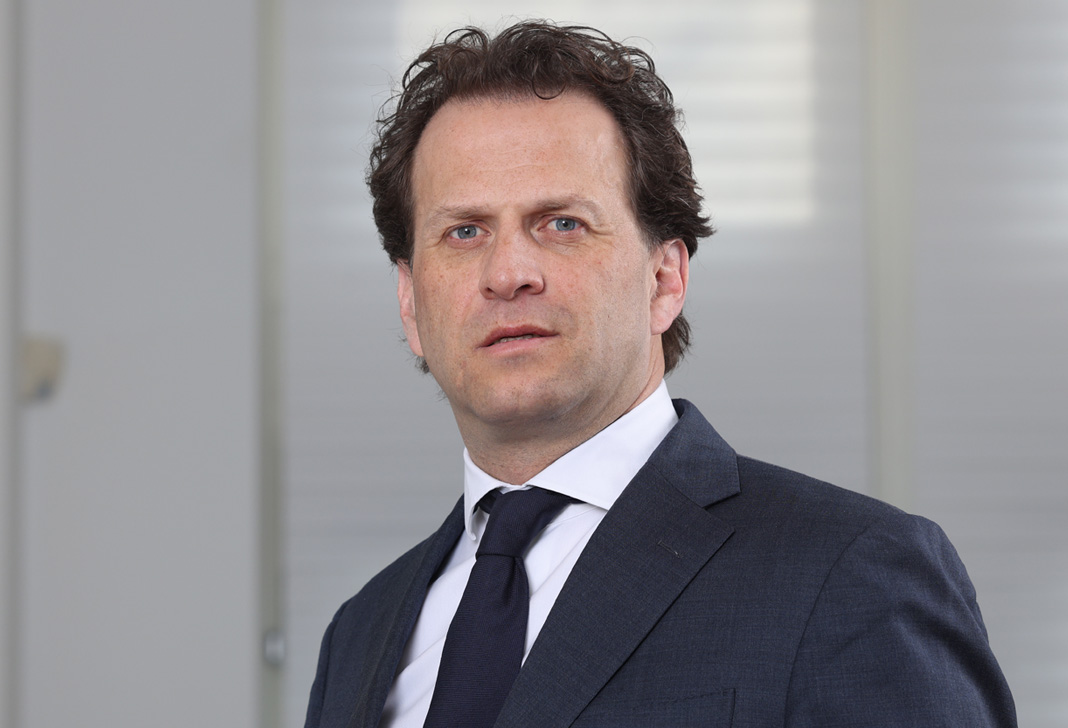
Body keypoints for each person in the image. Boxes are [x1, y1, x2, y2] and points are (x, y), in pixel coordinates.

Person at [304, 21, 1016, 728]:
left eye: (562, 223)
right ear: (410, 302)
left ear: (664, 279)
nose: (508, 273)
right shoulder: (359, 635)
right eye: (464, 231)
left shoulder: (851, 576)